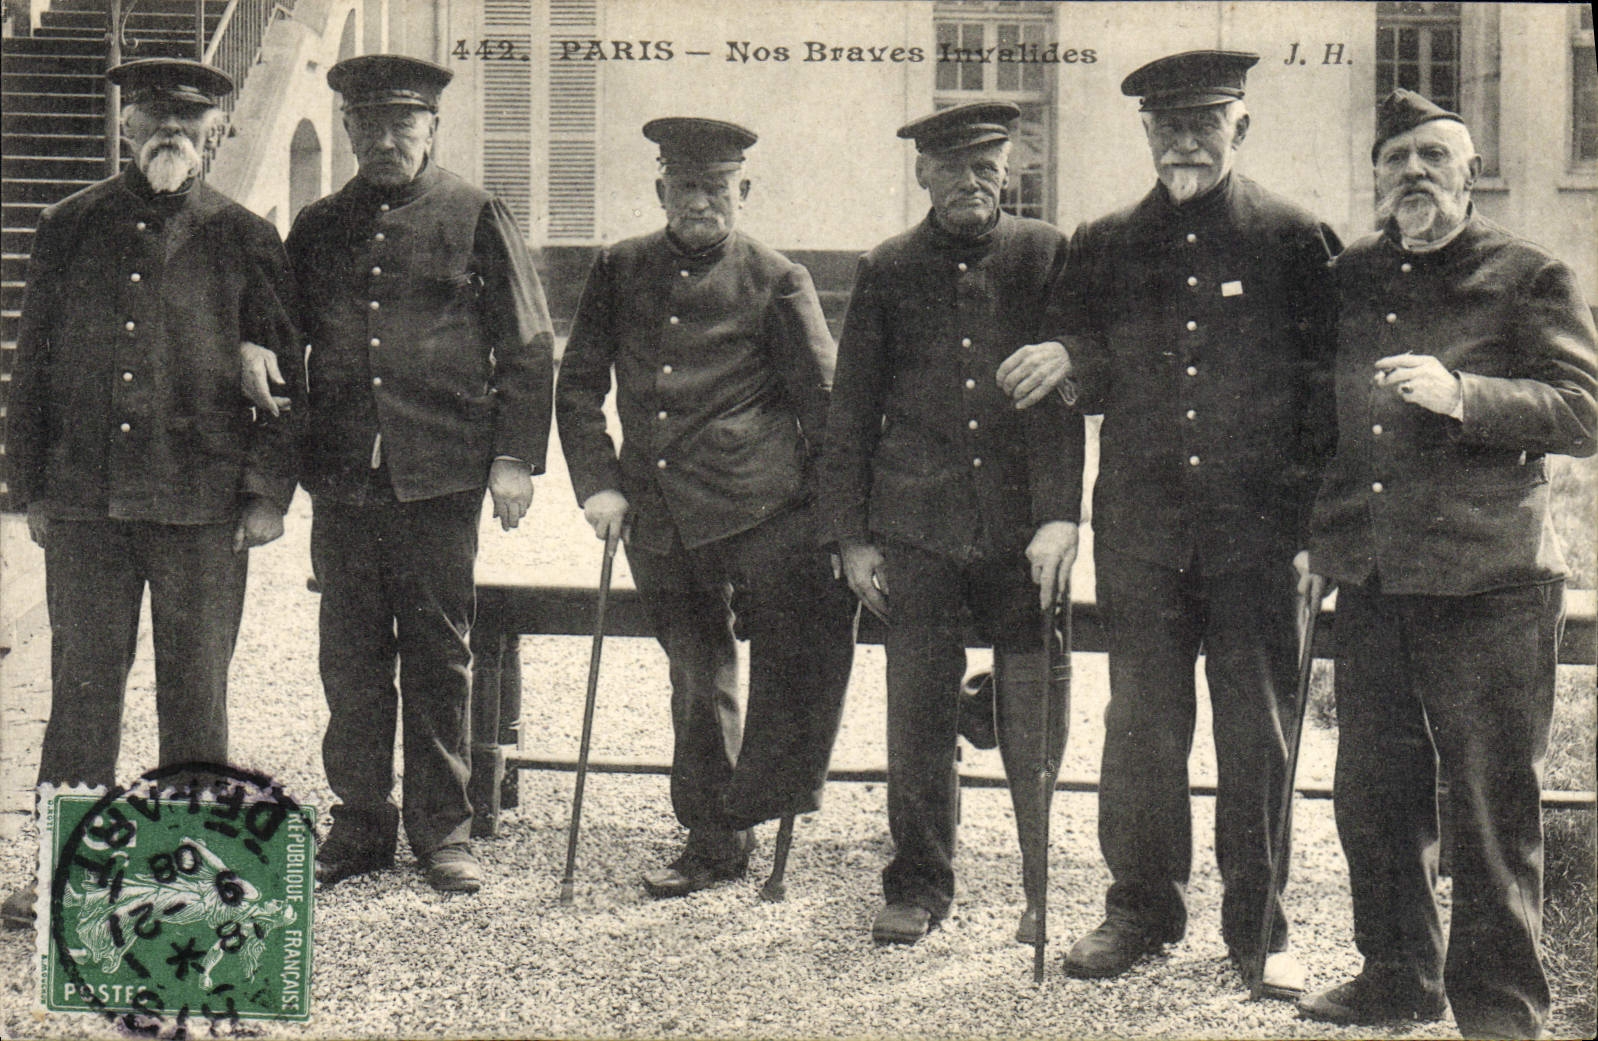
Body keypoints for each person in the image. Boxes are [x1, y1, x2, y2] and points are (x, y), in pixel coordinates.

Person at [996, 51, 1339, 990]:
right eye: (1167, 124)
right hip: (1143, 533)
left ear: (1242, 126)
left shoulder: (1294, 236)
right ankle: (1141, 907)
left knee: (1254, 728)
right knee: (1141, 724)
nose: (1186, 139)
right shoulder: (1103, 242)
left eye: (1205, 121)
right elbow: (1073, 385)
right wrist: (1067, 361)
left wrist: (1319, 528)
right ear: (1146, 132)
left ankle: (1258, 923)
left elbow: (1328, 394)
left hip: (1258, 540)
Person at [1297, 90, 1598, 1039]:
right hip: (1378, 579)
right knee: (1374, 795)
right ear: (1377, 177)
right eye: (1397, 159)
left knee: (1487, 802)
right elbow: (1320, 425)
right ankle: (1398, 979)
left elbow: (1582, 411)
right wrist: (1320, 534)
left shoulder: (1528, 273)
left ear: (1470, 173)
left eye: (1435, 156)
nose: (1415, 173)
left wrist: (1462, 392)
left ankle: (1502, 1009)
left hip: (1490, 583)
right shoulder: (1348, 277)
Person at [2, 59, 301, 927]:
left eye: (188, 118)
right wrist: (31, 487)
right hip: (89, 504)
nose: (169, 130)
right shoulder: (68, 225)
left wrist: (266, 491)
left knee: (196, 696)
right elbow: (33, 365)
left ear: (216, 133)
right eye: (151, 115)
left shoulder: (247, 236)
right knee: (81, 694)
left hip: (201, 508)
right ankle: (66, 871)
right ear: (125, 127)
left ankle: (195, 880)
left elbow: (285, 376)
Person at [556, 118, 856, 899]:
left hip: (762, 511)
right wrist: (599, 484)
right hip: (656, 516)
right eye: (686, 187)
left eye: (717, 189)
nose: (701, 203)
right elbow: (579, 387)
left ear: (742, 193)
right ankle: (713, 836)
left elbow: (824, 410)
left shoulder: (777, 277)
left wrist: (832, 525)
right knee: (695, 675)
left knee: (792, 657)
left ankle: (764, 805)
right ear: (661, 190)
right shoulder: (619, 269)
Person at [280, 55, 554, 894]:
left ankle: (444, 831)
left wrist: (513, 456)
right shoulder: (320, 223)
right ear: (350, 131)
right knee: (350, 656)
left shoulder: (475, 211)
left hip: (439, 473)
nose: (387, 139)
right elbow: (283, 335)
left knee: (439, 651)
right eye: (370, 125)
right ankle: (360, 821)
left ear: (432, 127)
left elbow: (531, 342)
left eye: (406, 124)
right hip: (344, 478)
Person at [817, 102, 1083, 945]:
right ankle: (920, 883)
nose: (970, 183)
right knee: (918, 709)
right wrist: (854, 538)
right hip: (918, 528)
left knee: (1035, 704)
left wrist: (1058, 516)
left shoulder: (1046, 253)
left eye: (986, 166)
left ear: (1010, 169)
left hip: (1019, 532)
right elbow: (851, 412)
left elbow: (1063, 406)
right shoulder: (888, 267)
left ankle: (1039, 889)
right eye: (951, 168)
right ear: (922, 174)